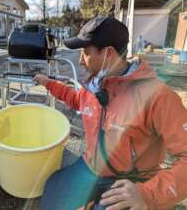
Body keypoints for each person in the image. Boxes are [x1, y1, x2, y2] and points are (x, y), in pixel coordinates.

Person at [34, 16, 187, 210]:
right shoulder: (94, 85)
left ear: (108, 53)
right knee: (52, 191)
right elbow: (75, 98)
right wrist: (47, 82)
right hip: (91, 167)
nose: (80, 60)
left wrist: (147, 194)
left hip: (129, 183)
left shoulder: (158, 97)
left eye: (86, 52)